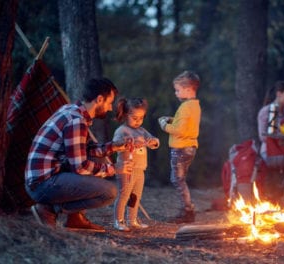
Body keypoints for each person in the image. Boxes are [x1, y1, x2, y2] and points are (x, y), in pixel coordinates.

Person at [25, 78, 132, 232]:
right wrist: (114, 168)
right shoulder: (76, 121)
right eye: (109, 103)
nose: (110, 108)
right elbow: (80, 167)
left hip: (46, 177)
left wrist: (113, 147)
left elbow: (84, 151)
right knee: (109, 192)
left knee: (97, 159)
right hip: (43, 183)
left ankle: (75, 218)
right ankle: (48, 209)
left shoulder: (71, 110)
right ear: (99, 99)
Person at [158, 71, 201, 224]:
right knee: (180, 180)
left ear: (188, 89)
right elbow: (185, 123)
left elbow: (179, 130)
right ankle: (187, 209)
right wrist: (172, 119)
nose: (176, 93)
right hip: (190, 147)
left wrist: (165, 125)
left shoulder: (185, 107)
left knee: (177, 180)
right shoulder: (194, 105)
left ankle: (188, 211)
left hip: (181, 148)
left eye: (177, 90)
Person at [112, 98, 160, 231]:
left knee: (135, 196)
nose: (138, 121)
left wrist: (152, 142)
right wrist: (128, 143)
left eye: (141, 118)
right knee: (124, 194)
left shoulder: (142, 131)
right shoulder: (122, 131)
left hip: (140, 169)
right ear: (126, 115)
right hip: (126, 169)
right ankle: (119, 221)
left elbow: (155, 141)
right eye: (134, 118)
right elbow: (116, 146)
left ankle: (132, 220)